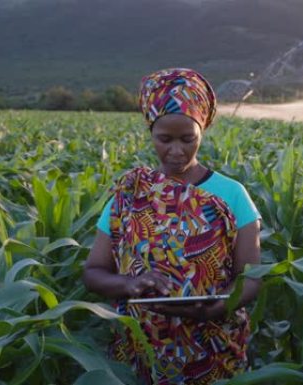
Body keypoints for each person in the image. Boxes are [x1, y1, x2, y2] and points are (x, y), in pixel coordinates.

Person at [83, 68, 262, 385]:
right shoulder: (128, 195)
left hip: (214, 349)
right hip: (140, 350)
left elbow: (250, 278)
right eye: (164, 139)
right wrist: (129, 285)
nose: (176, 150)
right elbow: (94, 271)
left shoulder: (233, 195)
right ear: (150, 133)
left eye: (187, 139)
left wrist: (214, 307)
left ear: (203, 129)